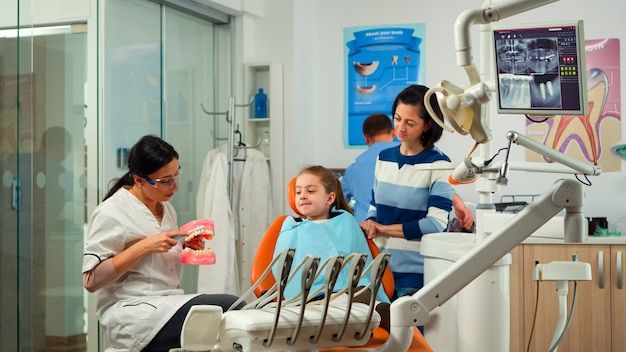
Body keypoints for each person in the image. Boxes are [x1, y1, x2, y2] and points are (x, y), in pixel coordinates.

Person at [82, 135, 243, 352]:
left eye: (176, 175)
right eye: (165, 181)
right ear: (138, 180)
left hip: (167, 302)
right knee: (231, 307)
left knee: (234, 311)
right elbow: (91, 280)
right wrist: (144, 246)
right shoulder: (112, 212)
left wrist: (183, 247)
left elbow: (156, 261)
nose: (174, 185)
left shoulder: (166, 208)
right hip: (131, 313)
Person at [359, 84, 463, 300]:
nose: (400, 128)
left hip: (417, 275)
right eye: (397, 119)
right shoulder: (384, 158)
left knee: (412, 334)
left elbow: (435, 223)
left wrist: (384, 229)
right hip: (380, 271)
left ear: (427, 125)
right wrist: (370, 221)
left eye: (410, 123)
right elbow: (375, 205)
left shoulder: (439, 164)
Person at [272, 165, 391, 304]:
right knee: (345, 302)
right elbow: (284, 267)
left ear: (329, 198)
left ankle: (383, 310)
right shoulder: (292, 227)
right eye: (298, 192)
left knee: (377, 307)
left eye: (310, 191)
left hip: (352, 288)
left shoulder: (346, 222)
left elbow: (361, 261)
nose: (302, 195)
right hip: (313, 294)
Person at [342, 113, 474, 228]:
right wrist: (458, 202)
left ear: (365, 137)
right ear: (394, 132)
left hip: (367, 234)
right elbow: (438, 186)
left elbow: (339, 202)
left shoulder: (354, 169)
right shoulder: (420, 158)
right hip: (411, 235)